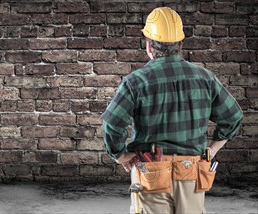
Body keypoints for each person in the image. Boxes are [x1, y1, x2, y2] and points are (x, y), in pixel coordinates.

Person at [101, 7, 243, 214]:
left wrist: (121, 155)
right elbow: (234, 117)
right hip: (192, 171)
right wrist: (211, 151)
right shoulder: (205, 78)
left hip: (150, 171)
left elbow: (112, 124)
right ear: (179, 44)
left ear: (149, 45)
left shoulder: (135, 82)